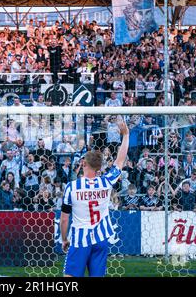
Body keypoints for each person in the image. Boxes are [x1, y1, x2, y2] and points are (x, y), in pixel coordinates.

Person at [60, 119, 129, 277]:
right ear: (98, 167)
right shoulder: (106, 182)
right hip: (100, 238)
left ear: (83, 163)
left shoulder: (72, 187)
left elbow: (64, 219)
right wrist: (125, 135)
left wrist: (64, 239)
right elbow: (119, 162)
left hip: (80, 239)